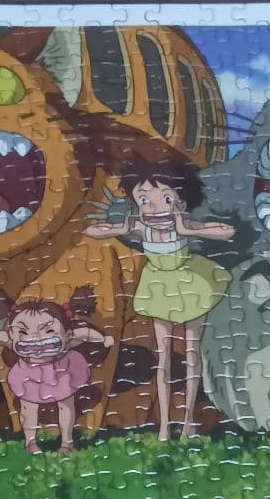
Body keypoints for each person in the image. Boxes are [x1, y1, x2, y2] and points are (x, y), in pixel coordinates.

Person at [84, 156, 234, 440]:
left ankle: (188, 423)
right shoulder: (142, 228)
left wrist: (187, 229)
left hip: (191, 283)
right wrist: (120, 229)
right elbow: (91, 230)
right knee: (162, 358)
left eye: (166, 199)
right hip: (157, 287)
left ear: (182, 202)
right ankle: (165, 425)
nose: (154, 208)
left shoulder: (183, 223)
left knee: (192, 354)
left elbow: (227, 231)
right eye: (144, 200)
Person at [0, 286, 113, 454]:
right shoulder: (11, 340)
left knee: (66, 406)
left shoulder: (69, 339)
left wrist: (103, 339)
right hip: (28, 376)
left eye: (48, 330)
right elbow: (2, 337)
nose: (35, 338)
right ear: (12, 334)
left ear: (67, 334)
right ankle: (30, 442)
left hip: (62, 373)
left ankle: (66, 442)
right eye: (23, 331)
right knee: (28, 408)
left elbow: (84, 333)